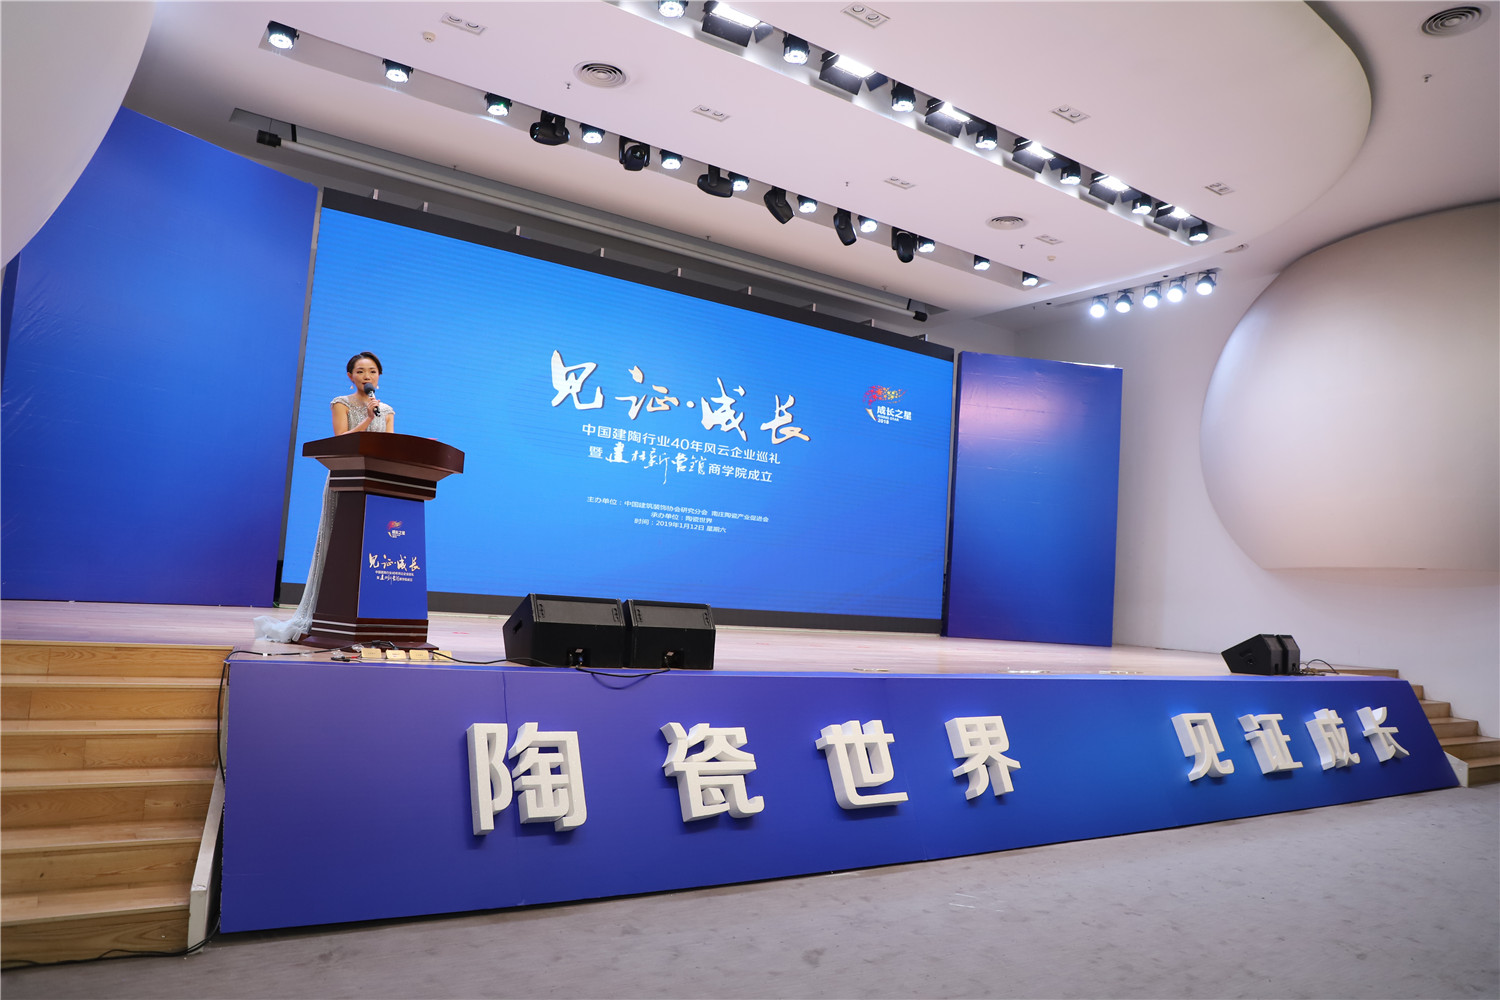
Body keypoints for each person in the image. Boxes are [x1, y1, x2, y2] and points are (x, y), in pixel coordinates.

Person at [253, 352, 395, 643]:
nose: (367, 376)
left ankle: (363, 616)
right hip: (345, 479)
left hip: (375, 484)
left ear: (379, 377)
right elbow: (339, 441)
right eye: (360, 371)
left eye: (372, 371)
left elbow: (390, 448)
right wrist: (368, 420)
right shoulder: (341, 403)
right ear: (350, 376)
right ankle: (324, 614)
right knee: (338, 543)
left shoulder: (387, 410)